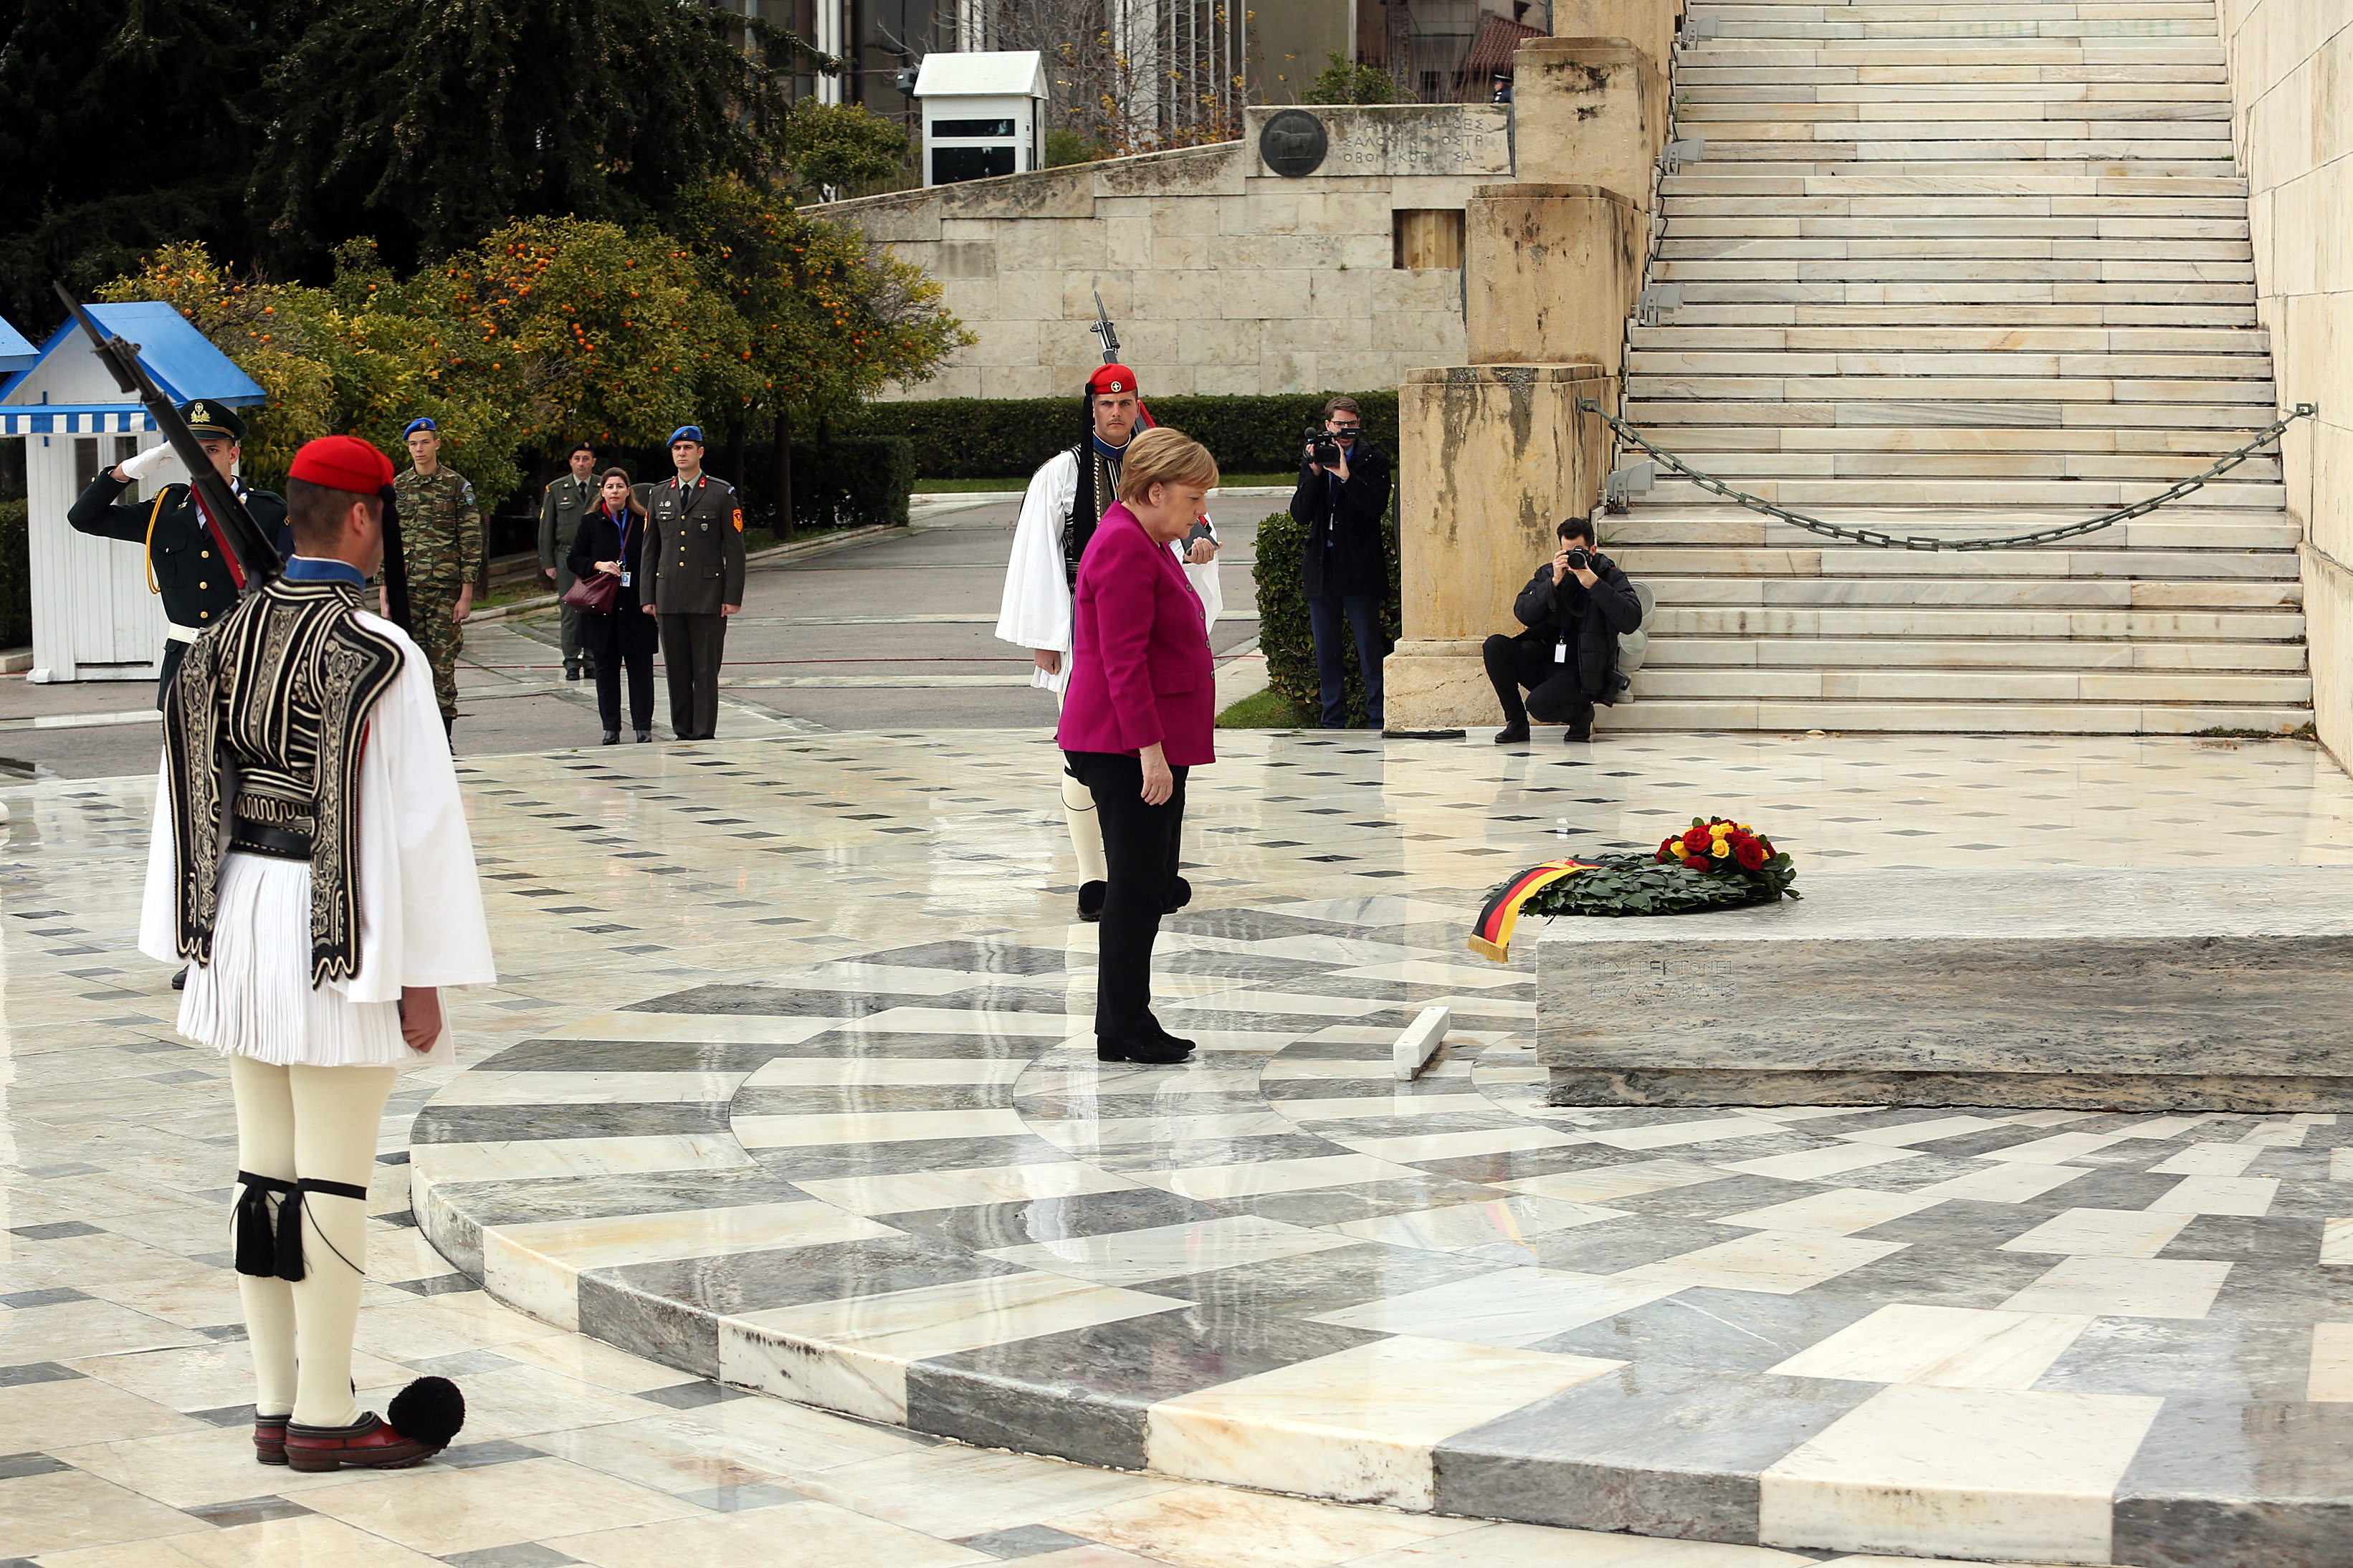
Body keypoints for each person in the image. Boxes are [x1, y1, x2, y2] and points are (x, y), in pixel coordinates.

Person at [138, 434, 493, 1472]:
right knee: (333, 1180)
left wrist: (191, 940)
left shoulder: (219, 638)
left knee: (265, 1175)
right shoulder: (383, 651)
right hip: (337, 929)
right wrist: (418, 976)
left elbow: (182, 803)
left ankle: (273, 1402)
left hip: (237, 917)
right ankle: (328, 1416)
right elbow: (417, 824)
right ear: (362, 518)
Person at [998, 363, 1219, 922]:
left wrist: (1203, 544)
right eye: (1105, 404)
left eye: (1125, 404)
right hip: (1081, 634)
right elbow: (1038, 553)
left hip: (1150, 630)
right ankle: (1092, 874)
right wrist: (1042, 633)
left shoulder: (1164, 466)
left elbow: (1197, 526)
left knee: (1146, 771)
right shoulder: (1062, 472)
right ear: (1091, 408)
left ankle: (1150, 871)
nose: (1116, 413)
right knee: (1088, 764)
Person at [1057, 427, 1218, 1066]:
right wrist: (1150, 753)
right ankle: (1123, 1027)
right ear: (1154, 491)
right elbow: (1122, 662)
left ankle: (1128, 1020)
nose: (1198, 512)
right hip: (1125, 743)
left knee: (1148, 883)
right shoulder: (1124, 545)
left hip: (1142, 737)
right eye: (1191, 497)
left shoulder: (1144, 536)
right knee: (1133, 888)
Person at [67, 401, 292, 706]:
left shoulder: (268, 512)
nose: (202, 459)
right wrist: (123, 473)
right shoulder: (166, 510)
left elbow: (294, 590)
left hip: (249, 662)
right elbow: (83, 518)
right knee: (180, 753)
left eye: (212, 450)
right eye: (194, 450)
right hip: (184, 663)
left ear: (233, 454)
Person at [1484, 516, 1643, 745]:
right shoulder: (1549, 573)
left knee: (1538, 706)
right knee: (1495, 646)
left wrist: (1594, 584)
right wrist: (1553, 583)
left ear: (1593, 550)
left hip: (1583, 672)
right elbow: (1523, 612)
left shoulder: (1609, 575)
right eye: (1566, 552)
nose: (1572, 558)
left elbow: (1631, 621)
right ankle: (1517, 723)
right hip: (1546, 660)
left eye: (1578, 552)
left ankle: (1581, 715)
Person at [1289, 395, 1393, 730]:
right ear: (1327, 426)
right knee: (1327, 650)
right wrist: (1316, 472)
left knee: (1368, 647)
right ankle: (1332, 719)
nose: (1345, 432)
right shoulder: (1316, 459)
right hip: (1323, 567)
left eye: (1351, 426)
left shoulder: (1372, 459)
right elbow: (1300, 514)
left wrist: (1346, 477)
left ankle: (1377, 717)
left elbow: (1375, 508)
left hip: (1360, 568)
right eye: (1339, 425)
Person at [641, 426, 745, 741]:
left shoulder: (720, 493)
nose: (682, 453)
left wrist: (732, 595)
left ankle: (703, 731)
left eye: (688, 448)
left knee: (705, 669)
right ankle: (683, 729)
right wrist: (648, 595)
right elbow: (650, 548)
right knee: (677, 669)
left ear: (700, 452)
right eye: (677, 449)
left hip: (708, 595)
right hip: (669, 593)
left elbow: (735, 549)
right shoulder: (659, 494)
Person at [388, 418, 483, 741]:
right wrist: (386, 593)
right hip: (406, 590)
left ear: (437, 444)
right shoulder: (398, 487)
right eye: (413, 444)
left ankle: (443, 739)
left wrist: (466, 594)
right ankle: (415, 740)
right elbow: (386, 540)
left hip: (445, 592)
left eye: (425, 442)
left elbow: (470, 540)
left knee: (442, 667)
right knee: (407, 667)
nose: (419, 449)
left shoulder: (457, 486)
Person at [569, 468, 659, 745]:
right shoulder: (591, 522)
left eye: (620, 486)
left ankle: (643, 726)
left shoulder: (643, 521)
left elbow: (656, 558)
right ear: (603, 492)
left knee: (641, 670)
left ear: (628, 491)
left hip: (636, 607)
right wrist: (597, 565)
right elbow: (574, 559)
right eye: (610, 487)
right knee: (606, 671)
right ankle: (611, 727)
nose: (615, 491)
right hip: (602, 608)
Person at [538, 442, 601, 682]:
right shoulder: (556, 489)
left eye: (586, 458)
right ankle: (572, 662)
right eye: (577, 459)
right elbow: (547, 528)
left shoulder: (603, 485)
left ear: (593, 462)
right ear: (571, 462)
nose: (582, 463)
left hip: (596, 559)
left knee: (597, 608)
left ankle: (592, 660)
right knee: (570, 611)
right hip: (566, 557)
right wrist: (548, 562)